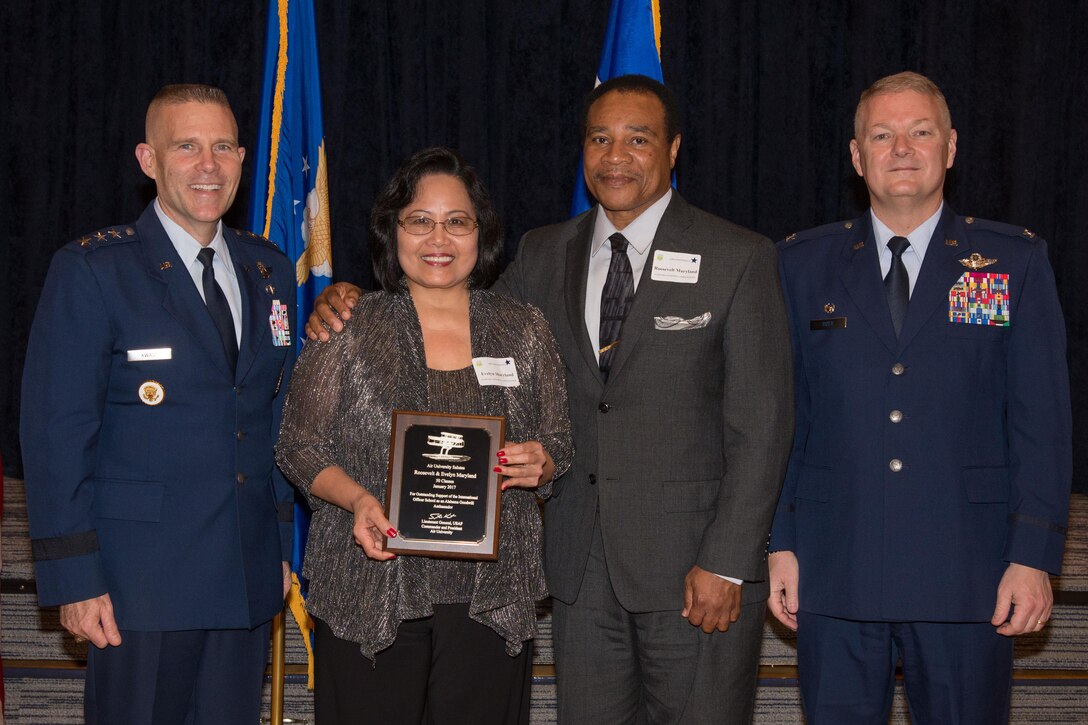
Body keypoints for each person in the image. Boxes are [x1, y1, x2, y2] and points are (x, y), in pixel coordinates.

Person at [308, 76, 793, 724]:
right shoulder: (546, 252)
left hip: (693, 569)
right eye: (599, 138)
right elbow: (443, 295)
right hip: (579, 574)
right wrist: (343, 295)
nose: (615, 155)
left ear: (673, 149)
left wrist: (729, 561)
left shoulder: (738, 256)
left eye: (637, 139)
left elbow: (761, 423)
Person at [767, 71, 1072, 723]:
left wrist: (1033, 556)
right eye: (882, 134)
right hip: (835, 566)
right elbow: (786, 417)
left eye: (920, 131)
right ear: (856, 156)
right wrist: (781, 540)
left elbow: (1041, 423)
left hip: (970, 573)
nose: (901, 148)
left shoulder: (1010, 263)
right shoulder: (800, 265)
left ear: (951, 146)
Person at [20, 84, 295, 724]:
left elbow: (272, 417)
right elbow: (55, 435)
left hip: (244, 570)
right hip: (137, 583)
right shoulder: (94, 271)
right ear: (149, 161)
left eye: (223, 146)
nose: (209, 165)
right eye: (187, 147)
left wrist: (279, 544)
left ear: (242, 157)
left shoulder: (269, 270)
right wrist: (74, 577)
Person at [275, 146, 573, 724]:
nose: (439, 239)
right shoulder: (348, 325)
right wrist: (359, 499)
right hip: (369, 588)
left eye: (457, 222)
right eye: (420, 221)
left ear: (480, 233)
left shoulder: (524, 329)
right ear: (393, 231)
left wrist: (543, 463)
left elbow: (558, 439)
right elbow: (298, 445)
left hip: (491, 597)